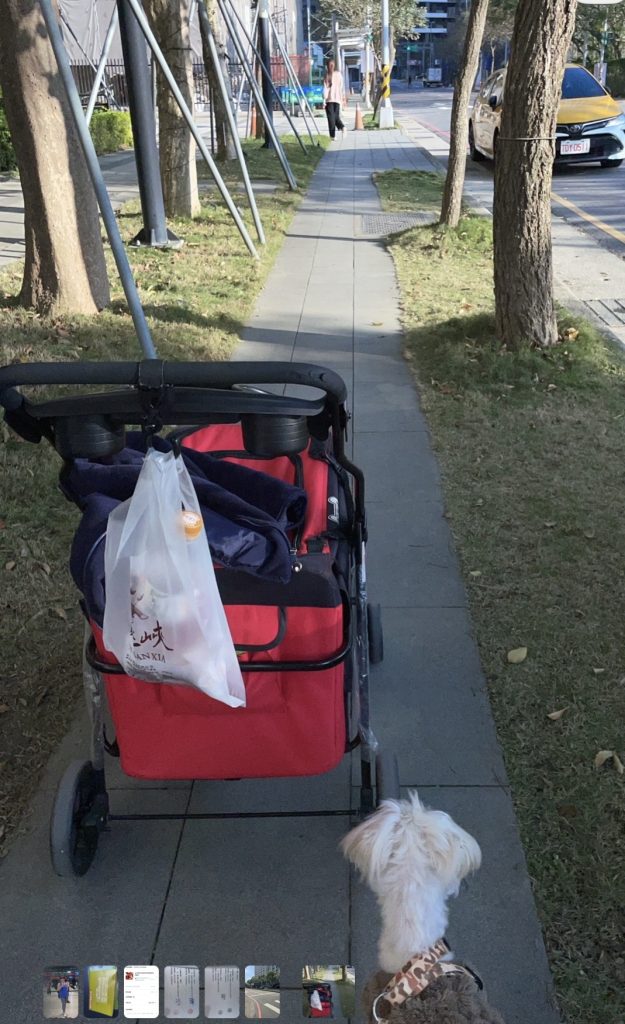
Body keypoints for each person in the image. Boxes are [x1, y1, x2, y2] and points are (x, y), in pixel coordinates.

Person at [323, 59, 346, 140]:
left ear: (327, 66)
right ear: (334, 66)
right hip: (338, 99)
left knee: (331, 118)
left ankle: (332, 136)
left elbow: (325, 89)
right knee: (336, 116)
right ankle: (342, 127)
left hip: (329, 100)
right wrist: (342, 98)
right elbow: (341, 87)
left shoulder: (327, 75)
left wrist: (324, 100)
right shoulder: (339, 74)